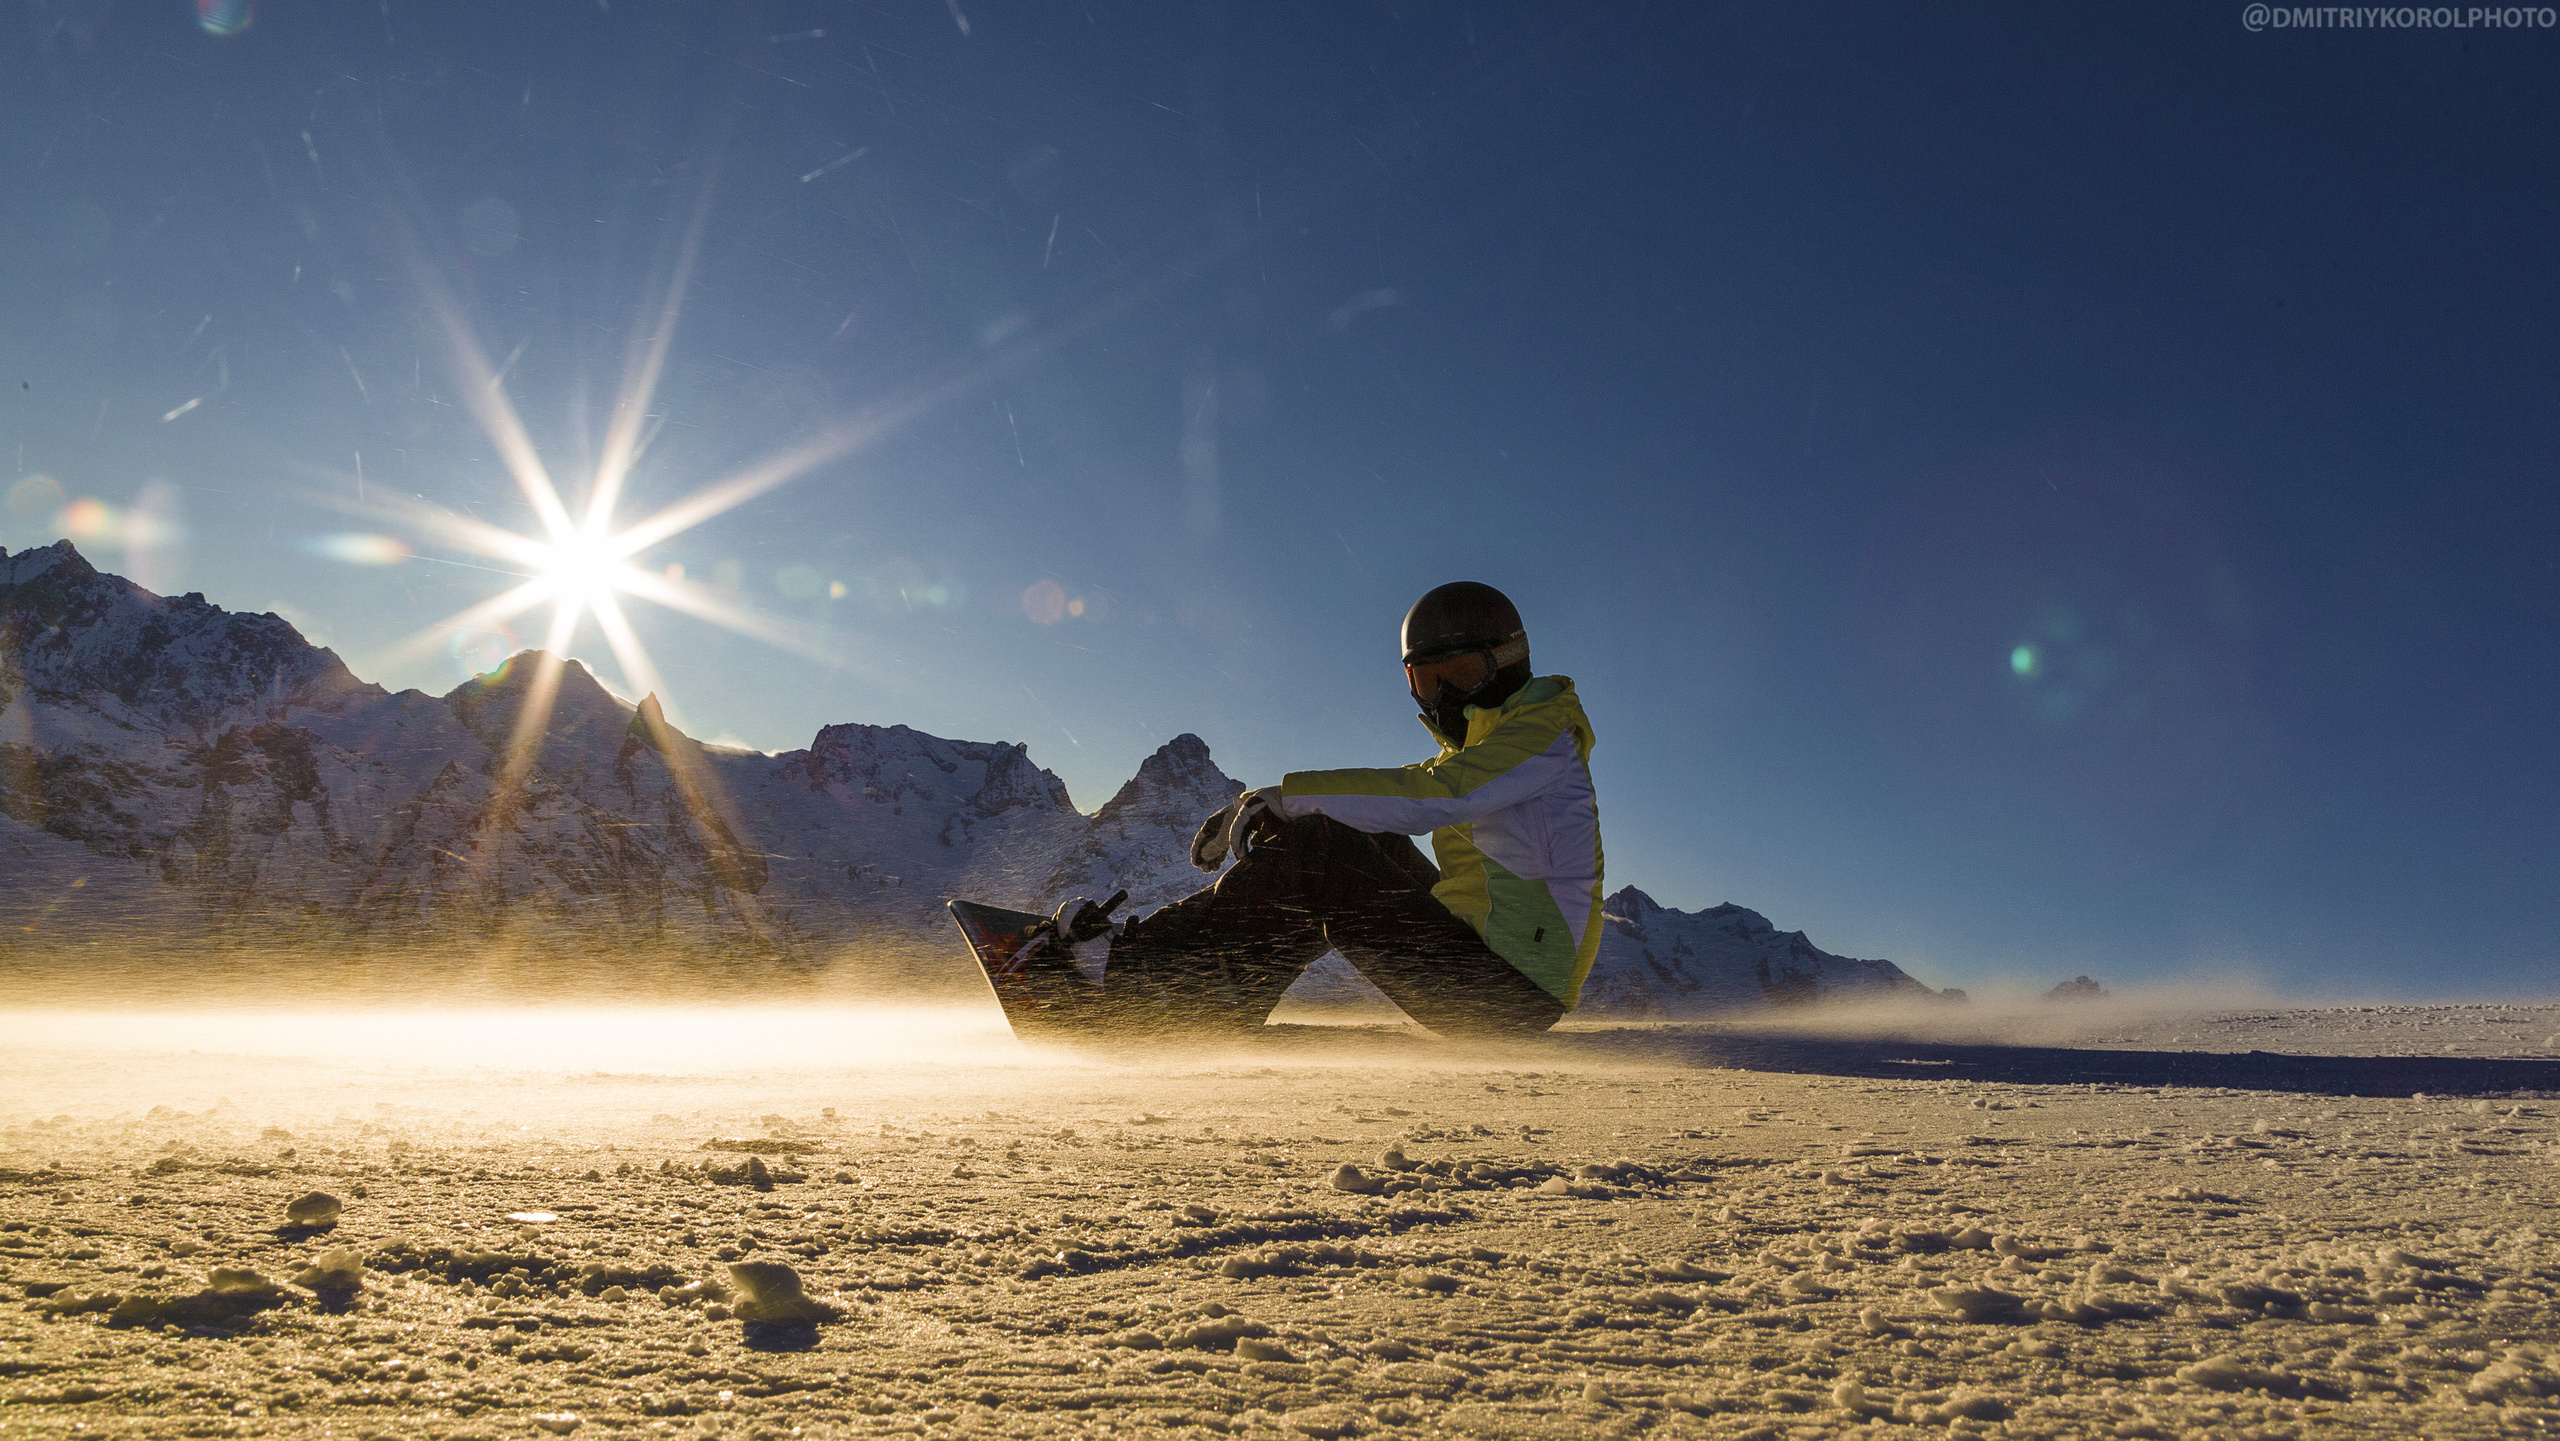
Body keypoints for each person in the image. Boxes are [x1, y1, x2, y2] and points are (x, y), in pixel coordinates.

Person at [1050, 581, 1603, 1038]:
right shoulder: (1501, 746)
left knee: (1324, 850)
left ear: (1505, 664)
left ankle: (1133, 974)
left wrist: (1289, 800)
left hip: (1507, 996)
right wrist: (1294, 810)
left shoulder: (1542, 738)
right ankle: (1208, 998)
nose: (1442, 699)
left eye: (1458, 676)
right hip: (1491, 967)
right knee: (1350, 836)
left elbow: (1442, 792)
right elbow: (1417, 789)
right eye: (1425, 682)